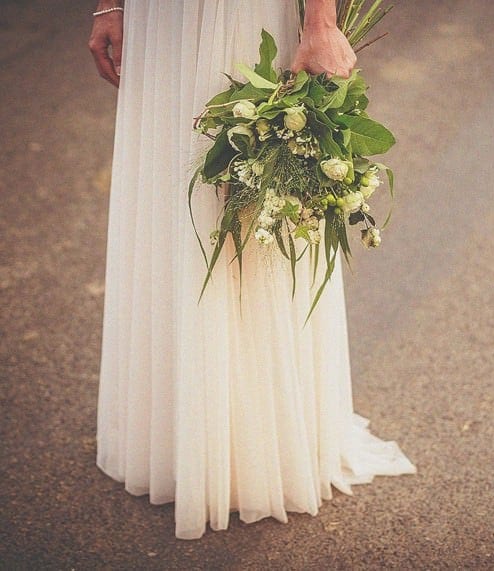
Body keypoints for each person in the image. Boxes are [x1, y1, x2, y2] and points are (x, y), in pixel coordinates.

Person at [88, 0, 416, 541]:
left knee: (245, 205)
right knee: (174, 196)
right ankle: (177, 435)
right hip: (157, 20)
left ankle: (257, 442)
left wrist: (320, 23)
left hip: (243, 14)